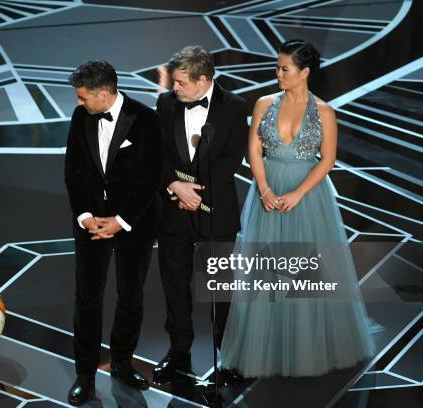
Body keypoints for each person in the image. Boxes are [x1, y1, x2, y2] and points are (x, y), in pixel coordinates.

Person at [220, 40, 375, 377]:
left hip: (307, 197)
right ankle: (267, 346)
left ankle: (307, 348)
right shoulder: (263, 104)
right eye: (277, 68)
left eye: (284, 69)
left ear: (304, 72)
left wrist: (300, 193)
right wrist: (264, 189)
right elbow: (253, 151)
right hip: (268, 192)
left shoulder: (324, 111)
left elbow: (329, 159)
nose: (277, 74)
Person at [64, 60, 163, 405]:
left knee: (130, 296)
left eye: (83, 97)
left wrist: (120, 221)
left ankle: (121, 362)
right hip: (91, 225)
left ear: (103, 93)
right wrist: (86, 215)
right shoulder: (80, 119)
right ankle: (85, 373)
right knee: (87, 299)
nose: (79, 104)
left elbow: (151, 178)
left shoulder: (147, 119)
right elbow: (74, 171)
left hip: (132, 224)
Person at [153, 45, 248, 384]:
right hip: (173, 211)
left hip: (215, 212)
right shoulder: (165, 103)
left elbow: (230, 159)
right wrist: (175, 186)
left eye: (180, 83)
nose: (173, 88)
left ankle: (230, 356)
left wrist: (196, 193)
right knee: (174, 285)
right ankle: (179, 352)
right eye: (174, 82)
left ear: (204, 79)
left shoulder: (234, 107)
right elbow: (157, 152)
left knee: (220, 288)